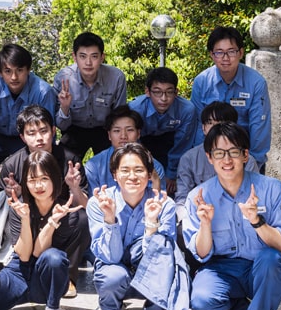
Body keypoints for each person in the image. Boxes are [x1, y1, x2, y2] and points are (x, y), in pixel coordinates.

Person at [184, 122, 281, 310]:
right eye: (219, 153)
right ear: (209, 157)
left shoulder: (271, 189)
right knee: (202, 301)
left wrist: (257, 221)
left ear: (246, 155)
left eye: (234, 152)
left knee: (272, 261)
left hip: (261, 266)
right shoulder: (199, 196)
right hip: (222, 269)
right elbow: (202, 254)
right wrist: (205, 223)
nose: (227, 160)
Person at [0, 150, 87, 310]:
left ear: (55, 178)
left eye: (44, 178)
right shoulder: (20, 206)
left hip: (47, 274)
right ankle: (16, 293)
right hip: (18, 270)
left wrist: (52, 222)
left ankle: (53, 307)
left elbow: (38, 253)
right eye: (32, 180)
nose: (38, 185)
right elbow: (25, 254)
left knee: (54, 258)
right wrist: (25, 218)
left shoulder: (67, 211)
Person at [0, 105, 87, 295]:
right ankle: (22, 265)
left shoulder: (70, 160)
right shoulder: (12, 164)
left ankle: (68, 276)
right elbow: (11, 205)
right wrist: (18, 193)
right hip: (30, 219)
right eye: (31, 133)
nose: (39, 138)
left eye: (44, 131)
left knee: (82, 218)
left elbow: (85, 205)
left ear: (53, 131)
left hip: (61, 218)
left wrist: (74, 187)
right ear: (22, 137)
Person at [87, 143, 175, 310]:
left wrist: (151, 224)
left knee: (162, 249)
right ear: (114, 175)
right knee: (112, 276)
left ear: (150, 174)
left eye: (139, 170)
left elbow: (161, 256)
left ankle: (156, 308)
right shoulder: (98, 203)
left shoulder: (165, 204)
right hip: (115, 265)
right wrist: (110, 219)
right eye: (125, 170)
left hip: (147, 266)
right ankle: (108, 307)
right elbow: (109, 257)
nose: (132, 176)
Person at [0, 43, 58, 189]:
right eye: (8, 71)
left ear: (28, 70)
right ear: (0, 72)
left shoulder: (43, 91)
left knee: (34, 174)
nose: (14, 77)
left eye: (20, 70)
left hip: (27, 139)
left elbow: (47, 134)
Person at [189, 26, 271, 169]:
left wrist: (252, 164)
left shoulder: (256, 83)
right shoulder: (202, 82)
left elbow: (259, 127)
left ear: (240, 53)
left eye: (231, 52)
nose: (225, 58)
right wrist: (202, 160)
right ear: (212, 55)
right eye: (219, 52)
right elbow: (197, 126)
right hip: (211, 158)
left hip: (245, 157)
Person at [54, 32, 127, 163]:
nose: (88, 63)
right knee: (61, 163)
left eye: (94, 56)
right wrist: (64, 107)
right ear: (74, 57)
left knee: (116, 162)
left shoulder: (116, 77)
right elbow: (61, 126)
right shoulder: (63, 79)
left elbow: (120, 116)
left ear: (102, 57)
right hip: (74, 128)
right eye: (82, 56)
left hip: (104, 129)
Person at [128, 67, 197, 196]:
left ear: (176, 92)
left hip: (171, 144)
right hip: (142, 143)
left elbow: (183, 144)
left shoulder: (187, 110)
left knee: (170, 188)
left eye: (169, 92)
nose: (163, 98)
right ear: (147, 92)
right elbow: (132, 141)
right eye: (157, 92)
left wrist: (172, 174)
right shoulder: (135, 108)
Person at [176, 102, 258, 206]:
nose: (215, 128)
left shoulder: (247, 159)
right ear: (203, 128)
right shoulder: (189, 158)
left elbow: (254, 194)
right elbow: (182, 198)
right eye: (210, 123)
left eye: (221, 123)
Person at [83, 106, 165, 193]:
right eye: (117, 131)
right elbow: (92, 202)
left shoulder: (154, 166)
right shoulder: (94, 165)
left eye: (129, 130)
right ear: (109, 135)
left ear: (138, 133)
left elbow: (160, 201)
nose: (123, 136)